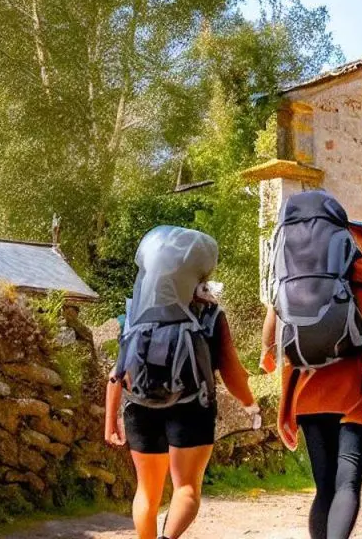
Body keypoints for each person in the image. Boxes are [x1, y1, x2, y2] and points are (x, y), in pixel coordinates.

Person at [260, 197, 362, 539]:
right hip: (358, 393)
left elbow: (273, 348)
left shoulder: (290, 280)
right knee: (347, 484)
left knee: (324, 488)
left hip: (311, 394)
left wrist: (284, 402)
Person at [105, 226, 259, 539]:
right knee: (186, 488)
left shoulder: (133, 315)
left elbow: (117, 371)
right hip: (192, 408)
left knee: (146, 492)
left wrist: (110, 420)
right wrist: (249, 403)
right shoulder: (209, 316)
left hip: (138, 407)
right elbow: (232, 372)